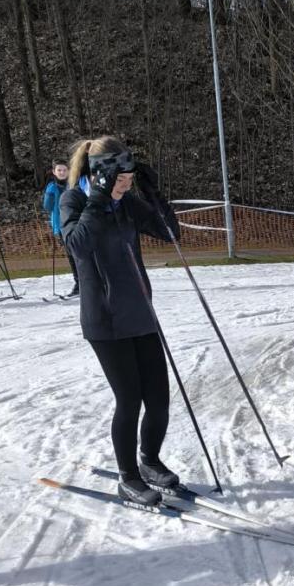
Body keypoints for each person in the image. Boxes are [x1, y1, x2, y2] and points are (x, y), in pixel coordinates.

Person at [60, 136, 182, 506]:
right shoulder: (76, 200)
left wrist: (151, 192)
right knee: (129, 401)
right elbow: (77, 246)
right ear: (100, 175)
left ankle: (149, 461)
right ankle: (128, 477)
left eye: (130, 179)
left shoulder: (127, 203)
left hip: (140, 312)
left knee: (158, 400)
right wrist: (99, 199)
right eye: (121, 179)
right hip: (105, 321)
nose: (125, 185)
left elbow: (169, 232)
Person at [42, 158, 79, 296]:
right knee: (71, 255)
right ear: (54, 172)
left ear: (69, 171)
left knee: (80, 254)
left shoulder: (73, 185)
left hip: (76, 223)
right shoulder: (52, 187)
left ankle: (88, 283)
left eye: (64, 170)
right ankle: (79, 284)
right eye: (59, 170)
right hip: (61, 226)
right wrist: (49, 193)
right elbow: (47, 207)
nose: (62, 172)